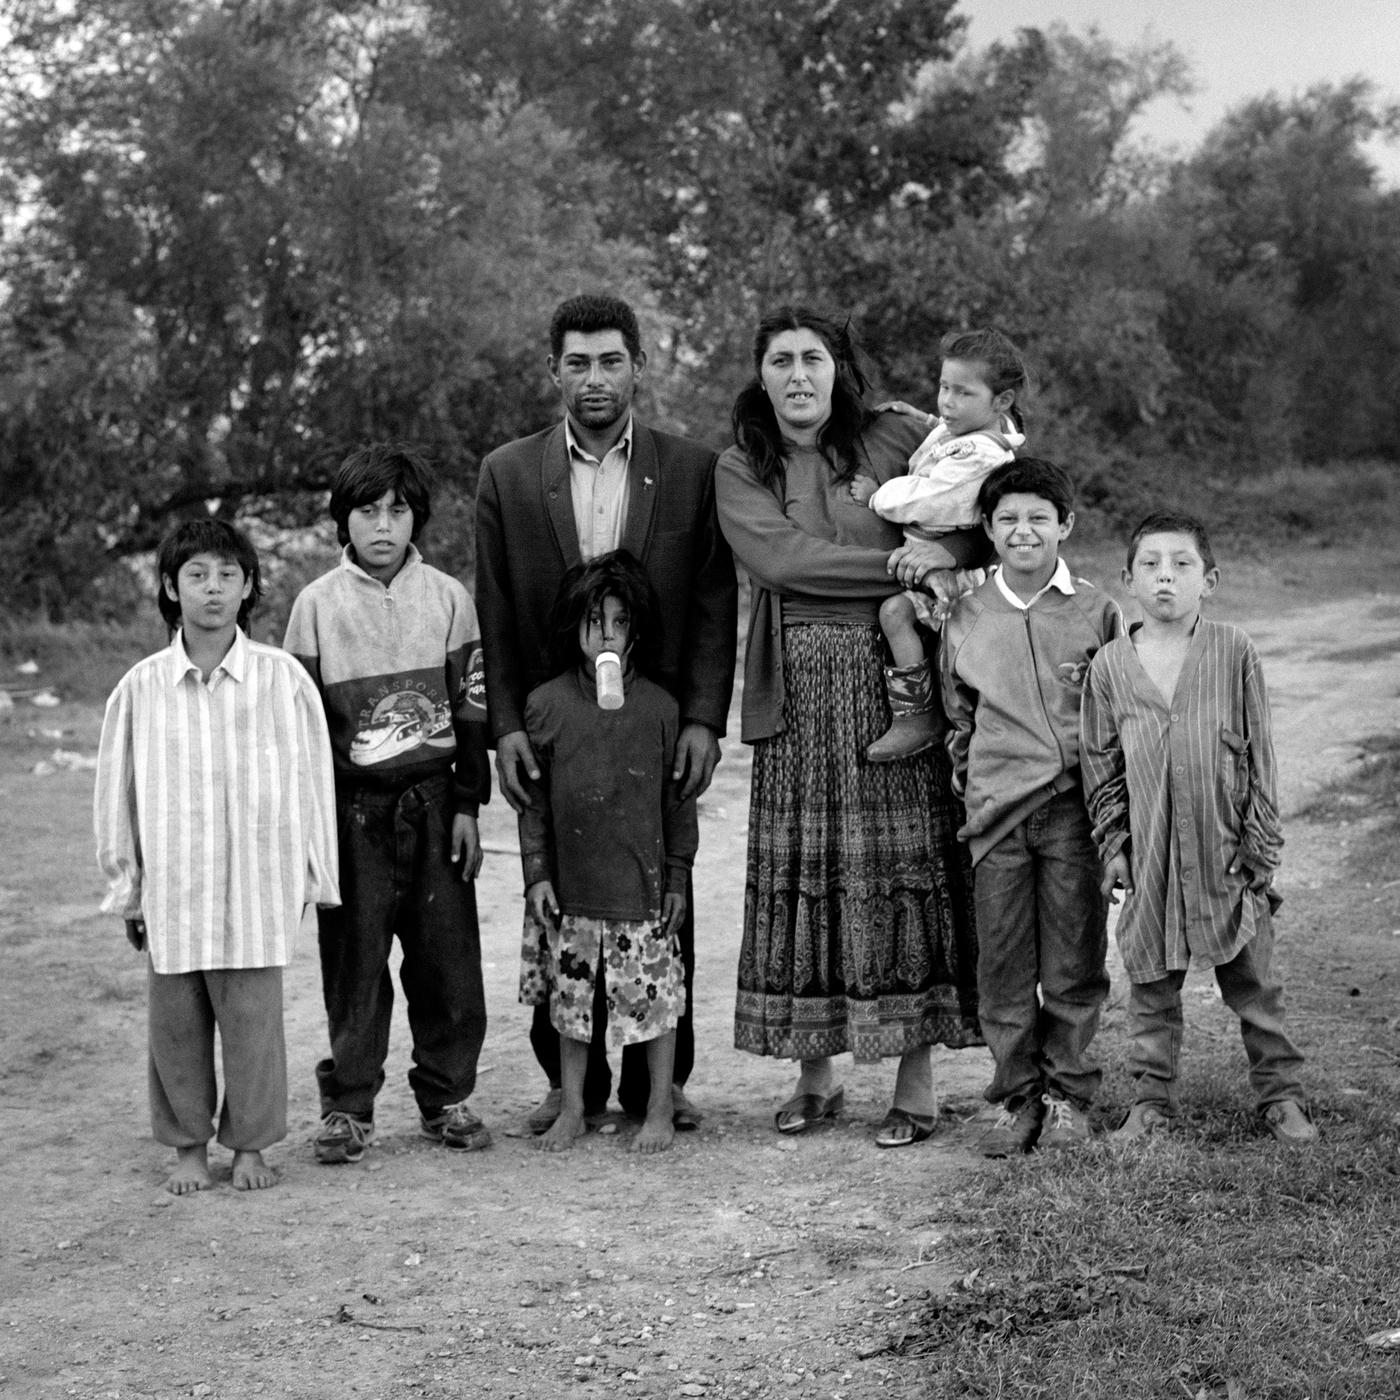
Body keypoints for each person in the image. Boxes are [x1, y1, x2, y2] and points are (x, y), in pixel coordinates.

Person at [715, 305, 983, 1150]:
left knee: (904, 868)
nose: (799, 374)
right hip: (796, 693)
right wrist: (902, 563)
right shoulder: (740, 464)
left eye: (815, 359)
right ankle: (815, 1076)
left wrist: (950, 553)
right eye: (782, 360)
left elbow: (985, 502)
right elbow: (782, 561)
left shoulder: (902, 436)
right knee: (809, 874)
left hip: (898, 682)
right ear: (761, 375)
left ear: (841, 368)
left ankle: (915, 1082)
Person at [474, 293, 737, 1134]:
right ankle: (567, 1083)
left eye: (611, 360)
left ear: (639, 368)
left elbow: (710, 603)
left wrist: (701, 717)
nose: (595, 378)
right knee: (561, 895)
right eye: (578, 362)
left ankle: (663, 1082)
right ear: (554, 371)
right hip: (558, 723)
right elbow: (498, 610)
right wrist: (508, 724)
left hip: (656, 724)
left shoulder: (690, 469)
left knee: (663, 885)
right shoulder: (509, 473)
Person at [94, 520, 339, 1194]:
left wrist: (313, 875)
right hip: (176, 892)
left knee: (255, 1028)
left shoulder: (281, 681)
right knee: (174, 1029)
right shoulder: (141, 689)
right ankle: (187, 1148)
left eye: (227, 575)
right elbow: (119, 793)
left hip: (258, 892)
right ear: (171, 587)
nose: (212, 588)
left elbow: (313, 782)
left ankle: (251, 1147)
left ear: (249, 586)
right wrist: (128, 886)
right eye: (196, 575)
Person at [284, 444, 493, 1164]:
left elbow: (470, 713)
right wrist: (312, 832)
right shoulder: (315, 608)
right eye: (367, 510)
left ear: (417, 519)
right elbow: (301, 730)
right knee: (355, 963)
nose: (382, 525)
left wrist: (467, 804)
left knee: (447, 961)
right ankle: (348, 1105)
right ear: (343, 518)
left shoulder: (448, 599)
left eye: (397, 510)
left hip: (434, 805)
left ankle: (447, 1095)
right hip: (353, 812)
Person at [1080, 511, 1316, 1143]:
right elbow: (1101, 767)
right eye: (1150, 565)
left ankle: (1281, 1096)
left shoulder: (1234, 650)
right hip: (1153, 855)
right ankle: (1151, 1103)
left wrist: (1259, 846)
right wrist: (1116, 847)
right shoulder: (1108, 667)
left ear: (1208, 580)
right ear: (1127, 580)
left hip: (1226, 851)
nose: (1166, 578)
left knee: (1256, 985)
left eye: (1182, 565)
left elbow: (1260, 752)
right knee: (1151, 990)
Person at [940, 458, 1119, 1156]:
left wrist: (1111, 816)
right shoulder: (966, 613)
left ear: (1065, 526)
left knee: (1075, 963)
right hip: (996, 820)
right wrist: (976, 782)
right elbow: (960, 716)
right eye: (1008, 518)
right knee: (1005, 968)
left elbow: (1115, 718)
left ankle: (1070, 1096)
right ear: (987, 529)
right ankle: (1017, 1097)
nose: (1023, 530)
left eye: (1039, 518)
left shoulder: (1096, 610)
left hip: (1074, 814)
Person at [516, 551, 696, 1155]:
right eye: (596, 622)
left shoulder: (662, 709)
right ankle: (572, 1108)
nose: (608, 636)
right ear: (576, 628)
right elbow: (532, 805)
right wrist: (537, 874)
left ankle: (660, 1110)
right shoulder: (545, 707)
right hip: (571, 892)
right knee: (570, 1010)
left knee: (657, 1005)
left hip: (642, 890)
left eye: (621, 622)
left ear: (637, 631)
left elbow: (678, 807)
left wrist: (676, 878)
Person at [850, 329, 1029, 763]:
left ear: (1000, 401)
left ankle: (916, 716)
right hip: (932, 561)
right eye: (944, 387)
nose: (947, 402)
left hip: (951, 572)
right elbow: (950, 439)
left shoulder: (981, 457)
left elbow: (929, 497)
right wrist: (920, 418)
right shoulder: (974, 429)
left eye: (962, 392)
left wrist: (877, 496)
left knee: (898, 616)